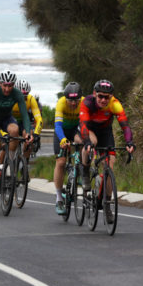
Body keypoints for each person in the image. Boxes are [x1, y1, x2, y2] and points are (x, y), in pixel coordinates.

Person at [79, 79, 135, 224]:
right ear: (94, 94)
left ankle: (107, 205)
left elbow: (125, 125)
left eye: (107, 97)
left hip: (105, 131)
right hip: (89, 130)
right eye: (100, 96)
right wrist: (87, 142)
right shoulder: (87, 103)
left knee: (110, 166)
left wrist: (129, 142)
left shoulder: (115, 104)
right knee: (92, 143)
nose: (103, 100)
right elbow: (83, 125)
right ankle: (85, 170)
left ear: (111, 97)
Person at [0, 71, 32, 205]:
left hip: (6, 119)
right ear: (0, 84)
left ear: (13, 85)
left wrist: (27, 132)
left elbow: (25, 115)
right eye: (5, 85)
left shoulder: (17, 94)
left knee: (15, 130)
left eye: (10, 86)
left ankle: (9, 164)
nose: (7, 89)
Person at [52, 82, 83, 215]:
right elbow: (58, 126)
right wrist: (63, 139)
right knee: (61, 162)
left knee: (81, 142)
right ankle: (59, 198)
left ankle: (81, 168)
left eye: (76, 100)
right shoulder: (61, 103)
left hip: (75, 130)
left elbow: (85, 122)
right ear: (66, 98)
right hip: (62, 131)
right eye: (71, 100)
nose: (73, 103)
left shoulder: (84, 102)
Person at [12, 79, 43, 162]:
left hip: (23, 122)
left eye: (25, 96)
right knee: (6, 144)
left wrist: (36, 133)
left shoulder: (30, 99)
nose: (22, 98)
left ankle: (25, 163)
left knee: (29, 137)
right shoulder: (9, 97)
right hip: (11, 121)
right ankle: (2, 165)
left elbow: (39, 119)